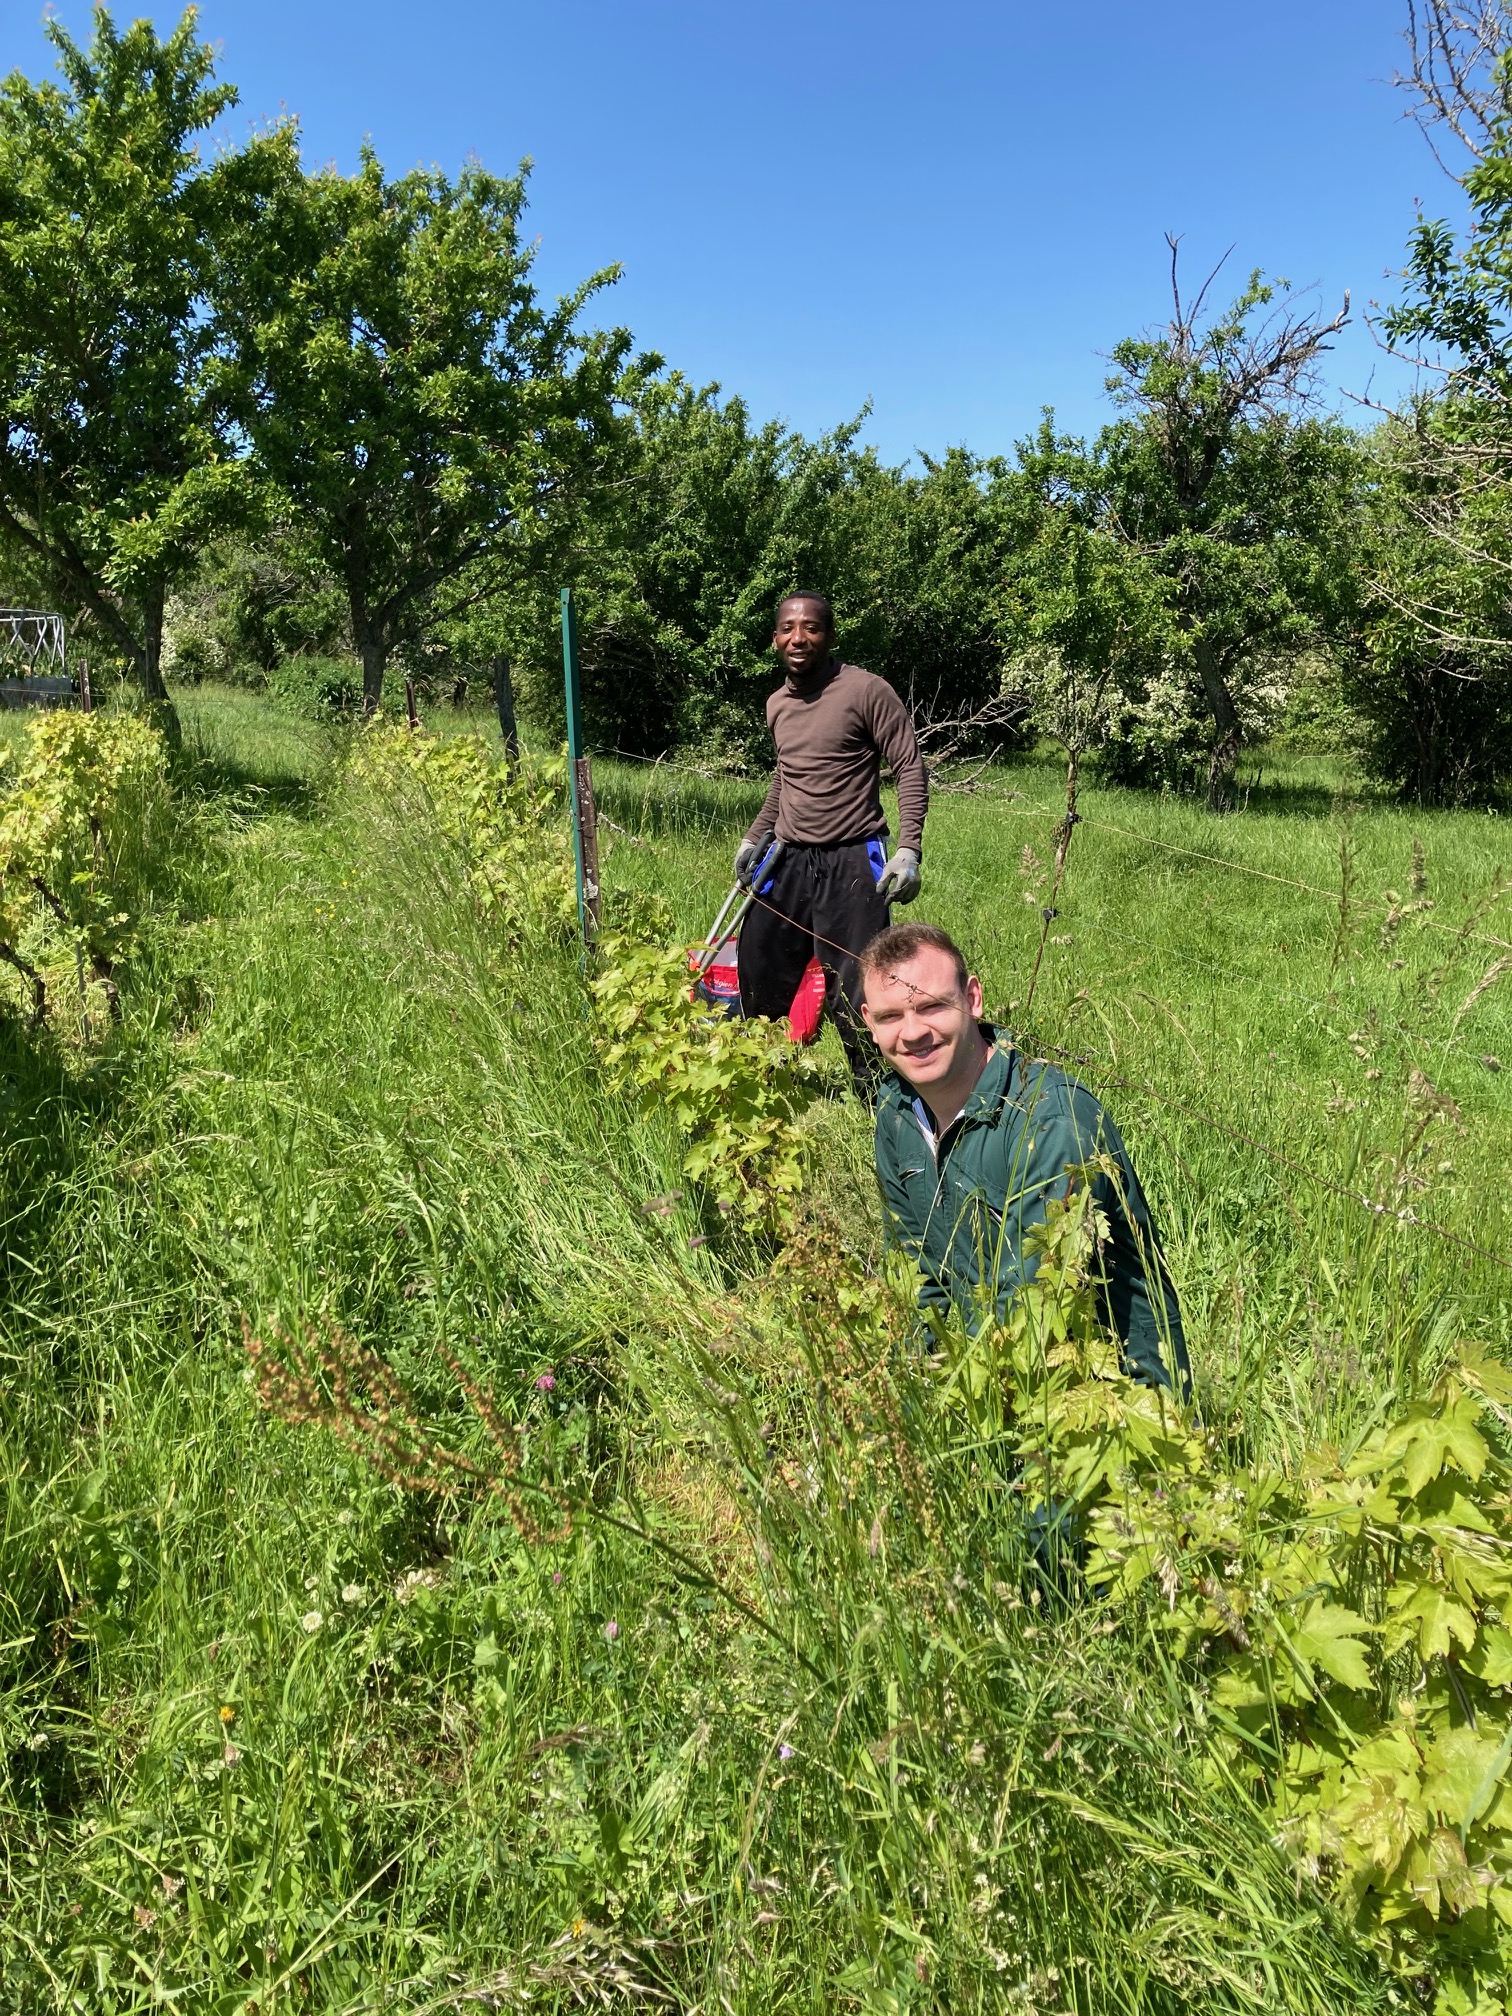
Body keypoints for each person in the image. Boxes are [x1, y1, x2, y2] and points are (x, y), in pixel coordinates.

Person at [859, 920, 1188, 1392]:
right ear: (869, 1022)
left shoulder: (1050, 1123)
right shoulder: (896, 1111)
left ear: (973, 999)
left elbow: (1033, 1308)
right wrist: (916, 1389)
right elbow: (915, 1268)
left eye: (931, 1006)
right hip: (982, 1376)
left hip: (1106, 1395)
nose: (912, 1033)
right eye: (891, 1017)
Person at [735, 592, 927, 1091]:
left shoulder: (865, 691)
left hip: (851, 859)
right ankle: (766, 1079)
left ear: (829, 635)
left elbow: (908, 766)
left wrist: (909, 849)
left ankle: (876, 1098)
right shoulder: (777, 703)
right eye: (788, 629)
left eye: (812, 628)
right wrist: (754, 838)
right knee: (761, 967)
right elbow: (786, 777)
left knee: (856, 985)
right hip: (789, 857)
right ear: (775, 638)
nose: (799, 638)